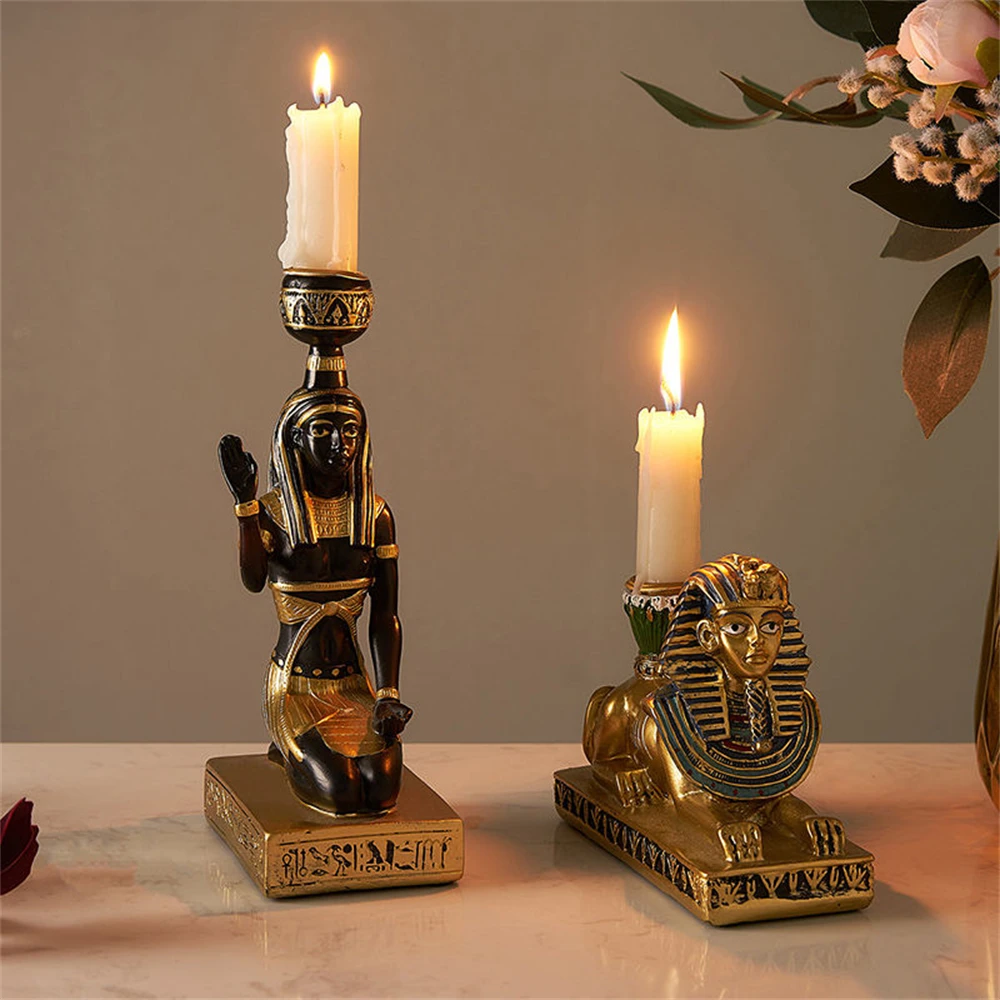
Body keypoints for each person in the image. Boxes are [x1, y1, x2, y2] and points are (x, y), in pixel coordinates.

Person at [219, 385, 411, 814]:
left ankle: (313, 756)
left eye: (350, 431)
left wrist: (386, 693)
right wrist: (246, 506)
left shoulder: (375, 516)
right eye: (322, 430)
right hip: (297, 688)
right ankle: (290, 748)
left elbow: (385, 614)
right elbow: (253, 580)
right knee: (343, 793)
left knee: (381, 791)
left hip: (353, 686)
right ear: (295, 438)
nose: (339, 444)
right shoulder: (274, 514)